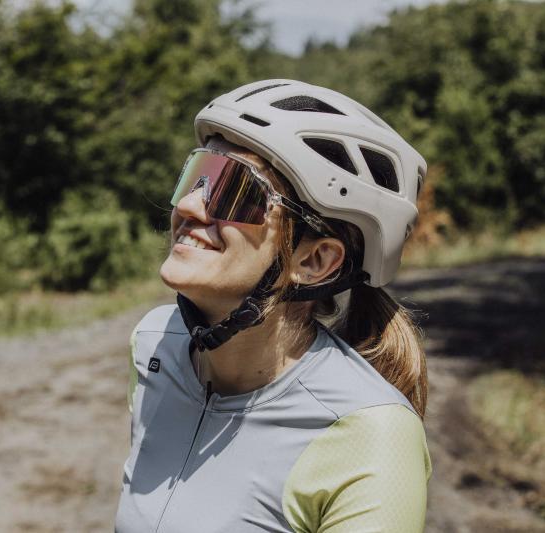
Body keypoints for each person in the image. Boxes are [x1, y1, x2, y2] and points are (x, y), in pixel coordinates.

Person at [115, 79, 432, 532]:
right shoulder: (153, 345)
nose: (189, 205)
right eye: (198, 174)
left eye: (235, 191)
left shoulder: (369, 434)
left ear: (313, 261)